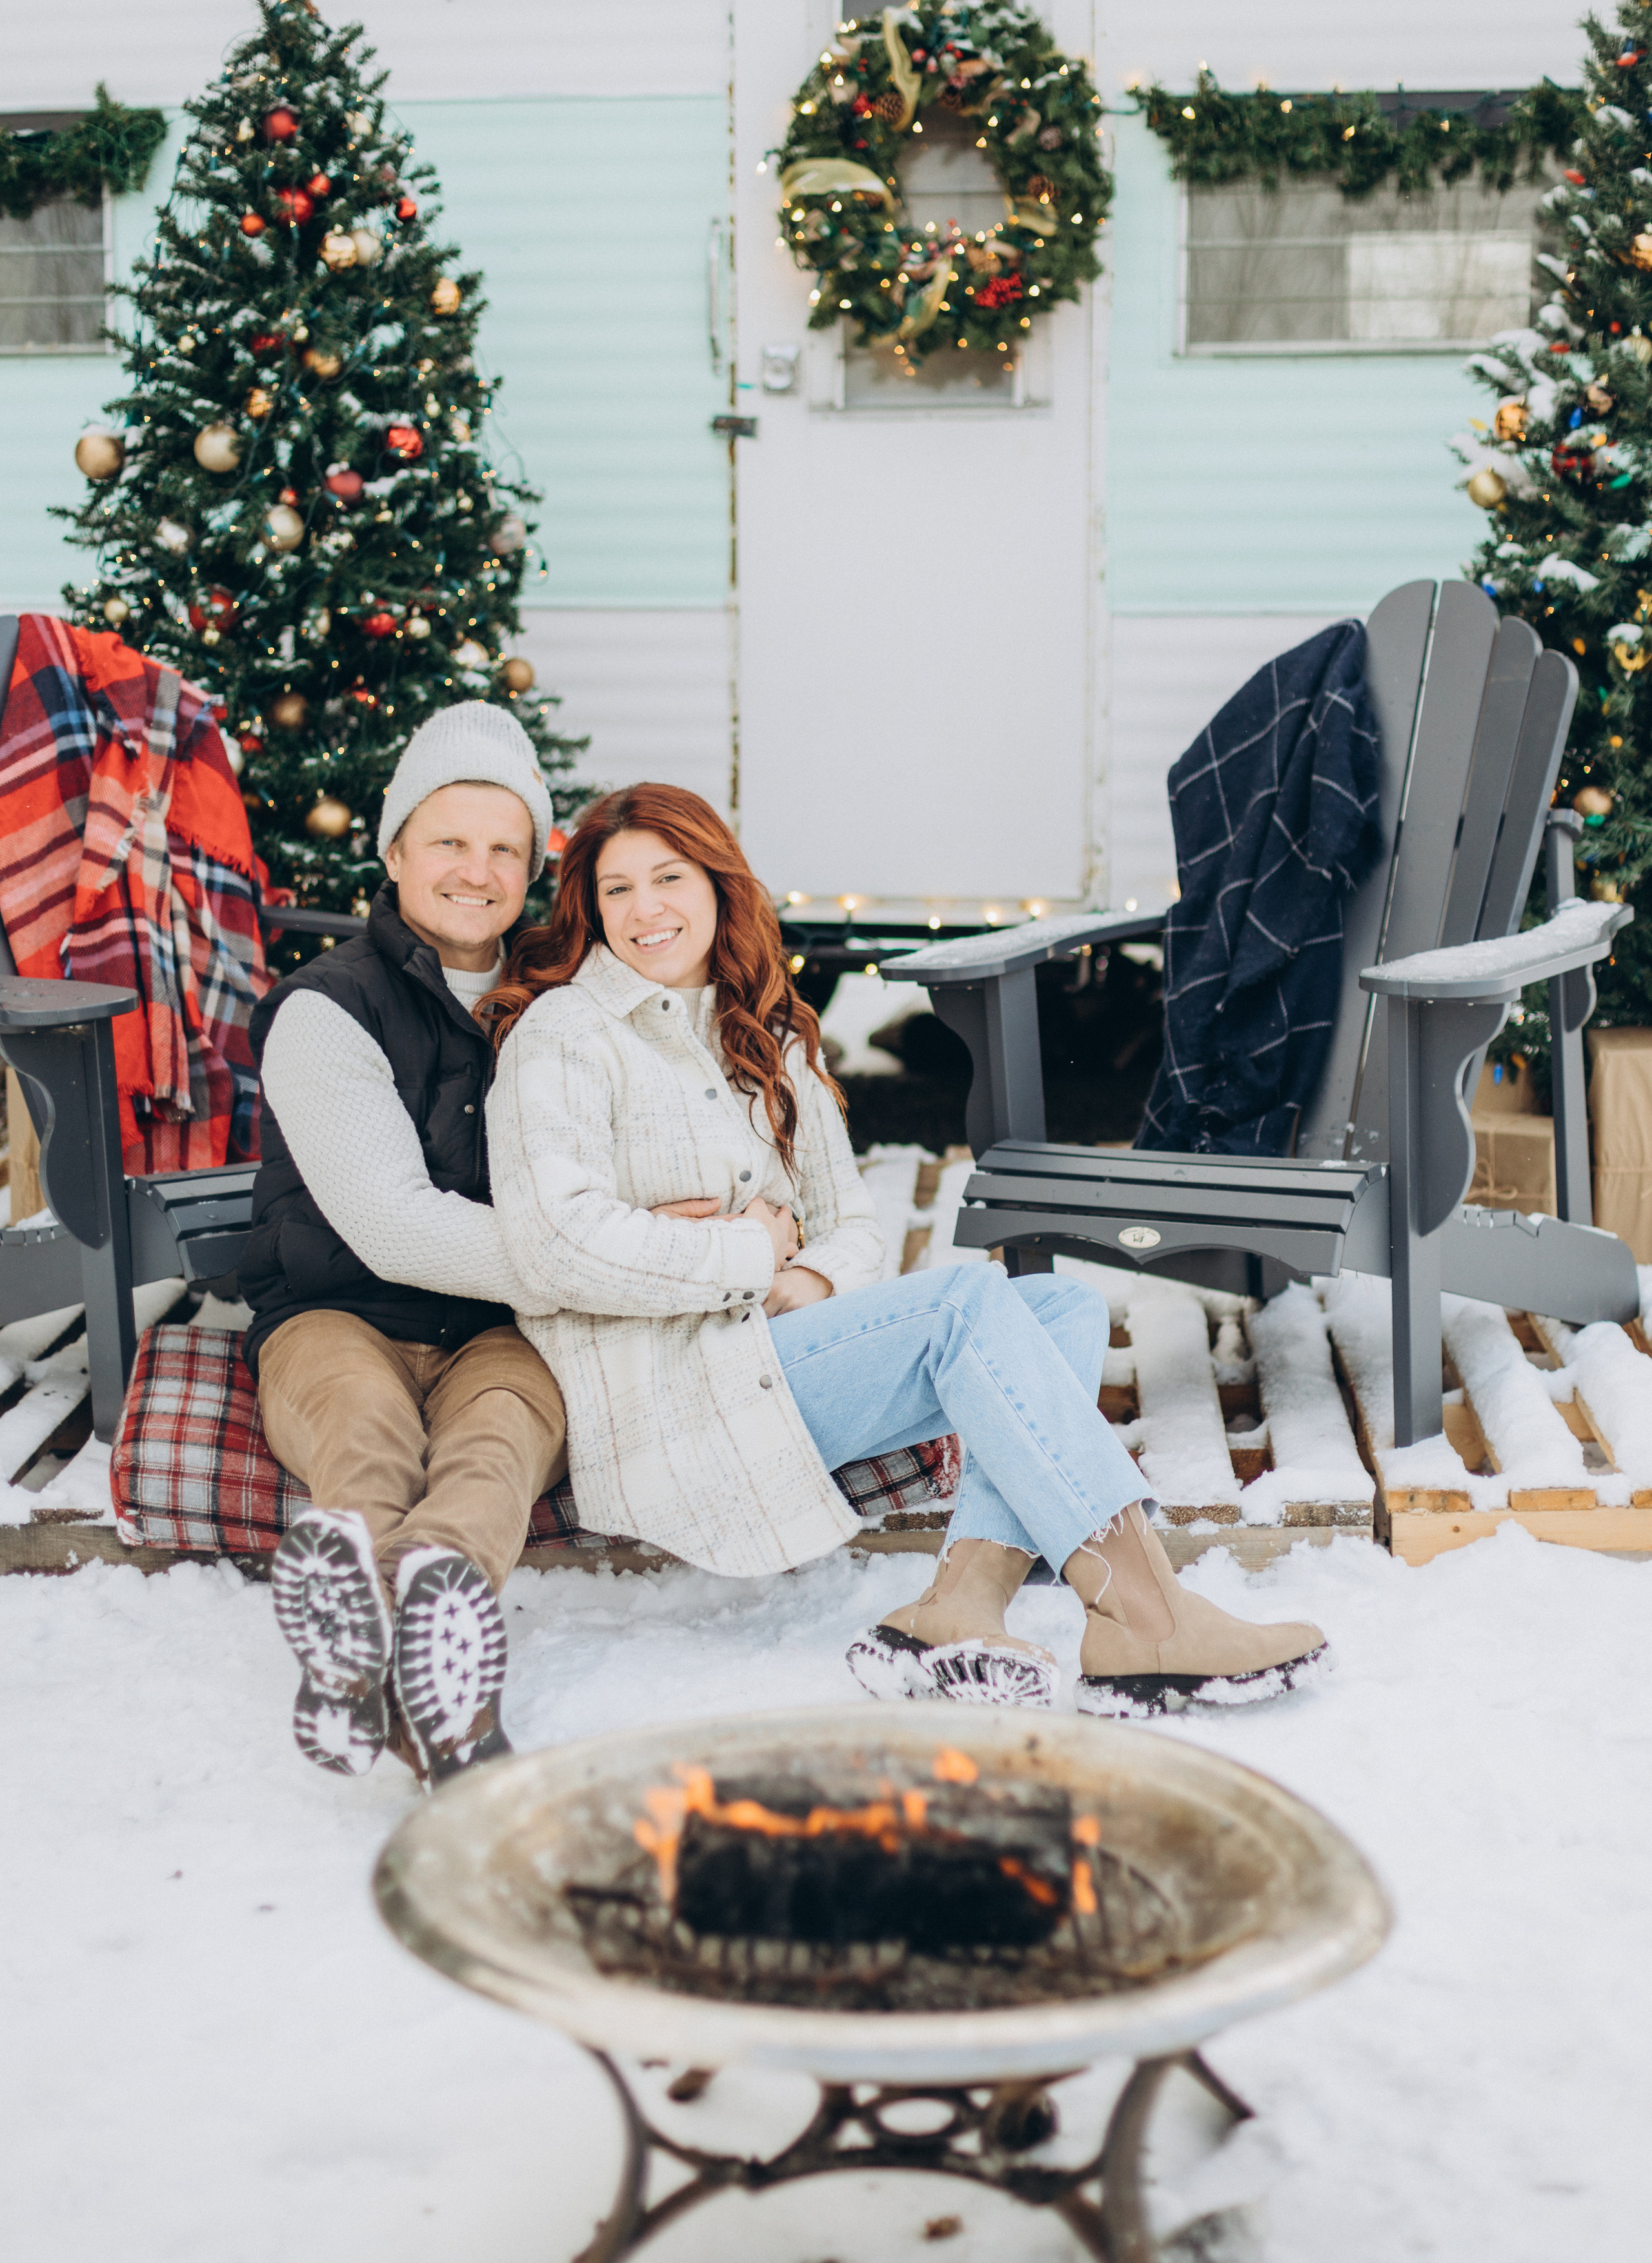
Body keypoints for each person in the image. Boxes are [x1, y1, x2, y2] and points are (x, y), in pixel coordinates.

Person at [483, 783, 1327, 1716]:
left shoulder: (763, 1035)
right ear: (591, 909)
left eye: (669, 878)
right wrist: (749, 1255)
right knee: (965, 1308)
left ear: (719, 886)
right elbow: (556, 1244)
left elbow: (852, 1224)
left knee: (1062, 1308)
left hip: (767, 1361)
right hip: (665, 1397)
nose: (646, 909)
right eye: (618, 890)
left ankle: (959, 1608)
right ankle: (1146, 1616)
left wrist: (805, 1276)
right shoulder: (565, 1035)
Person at [242, 705, 569, 1785]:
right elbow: (390, 1225)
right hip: (336, 1311)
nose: (477, 871)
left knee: (502, 1440)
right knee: (364, 1429)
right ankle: (445, 1709)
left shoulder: (564, 1006)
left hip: (501, 1328)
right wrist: (604, 1269)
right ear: (394, 853)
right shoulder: (327, 1008)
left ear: (533, 867)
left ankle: (408, 1628)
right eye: (449, 841)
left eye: (505, 849)